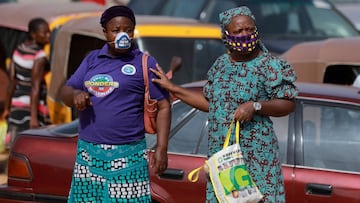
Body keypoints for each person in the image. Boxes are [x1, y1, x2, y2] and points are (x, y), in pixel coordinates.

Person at [151, 6, 298, 203]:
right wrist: (173, 88)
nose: (245, 34)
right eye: (238, 31)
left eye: (249, 29)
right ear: (226, 35)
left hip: (256, 158)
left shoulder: (270, 65)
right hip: (224, 158)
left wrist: (255, 106)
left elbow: (288, 104)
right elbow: (212, 105)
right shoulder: (221, 65)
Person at [60, 5, 171, 202]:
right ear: (105, 32)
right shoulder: (92, 59)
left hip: (129, 154)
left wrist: (162, 147)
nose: (123, 35)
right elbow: (66, 91)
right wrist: (75, 94)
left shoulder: (144, 62)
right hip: (89, 154)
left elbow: (163, 105)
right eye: (116, 30)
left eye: (128, 30)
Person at [8, 18, 51, 138]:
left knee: (16, 143)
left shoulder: (19, 49)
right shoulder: (40, 56)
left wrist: (7, 107)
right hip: (32, 106)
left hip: (17, 102)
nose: (48, 36)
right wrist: (34, 117)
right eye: (45, 33)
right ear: (33, 34)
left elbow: (12, 81)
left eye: (49, 32)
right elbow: (35, 87)